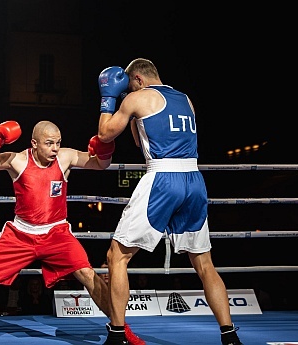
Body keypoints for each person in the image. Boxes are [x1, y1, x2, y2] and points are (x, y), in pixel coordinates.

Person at [0, 120, 144, 345]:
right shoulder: (17, 160)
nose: (55, 148)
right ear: (34, 143)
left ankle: (120, 328)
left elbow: (100, 165)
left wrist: (105, 151)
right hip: (21, 234)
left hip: (56, 232)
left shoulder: (65, 157)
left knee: (88, 274)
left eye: (58, 142)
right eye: (49, 143)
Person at [96, 58, 243, 345]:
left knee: (117, 257)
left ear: (137, 79)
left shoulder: (138, 97)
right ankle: (229, 335)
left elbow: (104, 134)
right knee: (204, 264)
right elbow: (144, 137)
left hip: (163, 179)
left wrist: (109, 98)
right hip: (194, 180)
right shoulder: (186, 99)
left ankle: (116, 335)